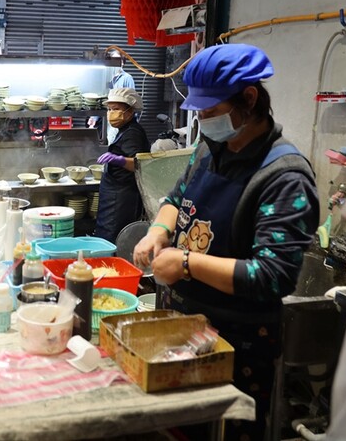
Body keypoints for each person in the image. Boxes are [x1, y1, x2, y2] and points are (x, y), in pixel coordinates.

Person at [132, 44, 319, 441]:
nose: (202, 120)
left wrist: (185, 263)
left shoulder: (284, 177)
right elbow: (175, 199)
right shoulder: (210, 147)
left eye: (211, 111)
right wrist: (157, 231)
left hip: (237, 347)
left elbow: (272, 277)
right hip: (182, 332)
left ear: (248, 99)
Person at [94, 87, 150, 244]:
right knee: (106, 237)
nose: (111, 113)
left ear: (130, 111)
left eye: (116, 109)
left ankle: (113, 266)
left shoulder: (133, 133)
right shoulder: (124, 129)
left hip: (121, 198)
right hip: (114, 194)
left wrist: (118, 159)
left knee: (113, 239)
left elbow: (140, 164)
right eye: (109, 109)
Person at [106, 50, 136, 144]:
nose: (115, 63)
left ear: (122, 62)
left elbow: (132, 100)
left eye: (117, 60)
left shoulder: (127, 78)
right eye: (112, 60)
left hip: (121, 119)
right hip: (108, 117)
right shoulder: (106, 77)